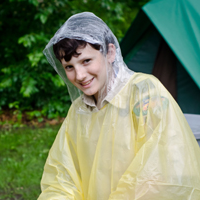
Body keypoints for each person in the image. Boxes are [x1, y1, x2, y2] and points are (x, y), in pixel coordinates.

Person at [38, 12, 200, 200]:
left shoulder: (144, 92)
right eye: (69, 67)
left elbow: (159, 171)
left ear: (110, 52)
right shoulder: (79, 111)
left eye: (86, 61)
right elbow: (62, 176)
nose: (80, 75)